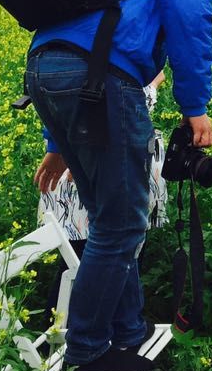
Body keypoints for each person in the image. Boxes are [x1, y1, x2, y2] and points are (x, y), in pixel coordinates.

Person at [24, 0, 212, 371]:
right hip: (105, 78)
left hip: (46, 68)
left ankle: (129, 329)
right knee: (124, 225)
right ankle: (86, 350)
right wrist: (196, 107)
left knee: (110, 218)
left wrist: (57, 144)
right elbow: (190, 15)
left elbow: (79, 35)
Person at [34, 72, 169, 321]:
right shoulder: (106, 57)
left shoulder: (62, 60)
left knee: (87, 262)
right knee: (90, 262)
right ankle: (69, 334)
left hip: (92, 174)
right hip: (98, 179)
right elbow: (129, 105)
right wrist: (152, 83)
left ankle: (77, 330)